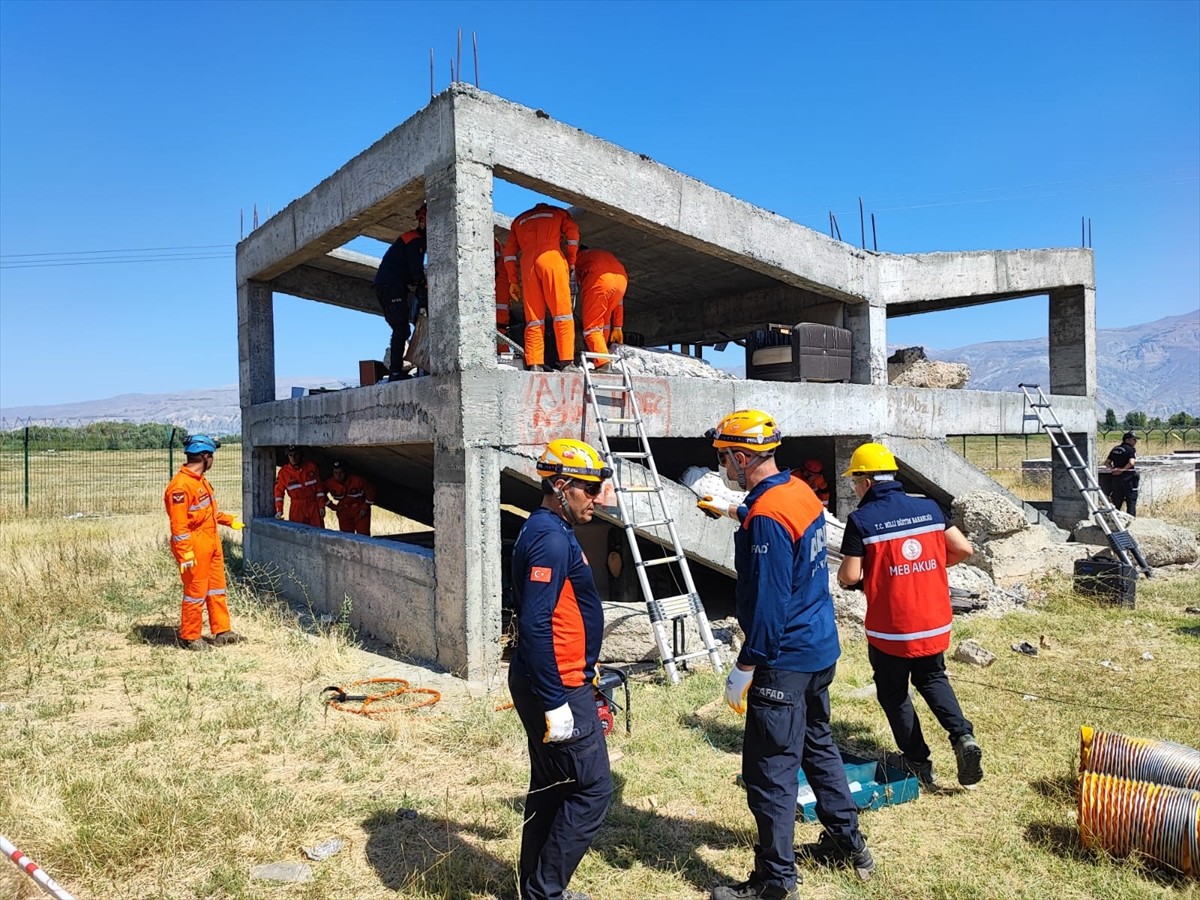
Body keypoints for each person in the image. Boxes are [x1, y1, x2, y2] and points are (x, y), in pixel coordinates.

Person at [707, 410, 873, 900]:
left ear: (740, 457)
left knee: (770, 772)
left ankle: (775, 882)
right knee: (818, 746)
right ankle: (851, 845)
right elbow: (779, 526)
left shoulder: (768, 517)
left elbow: (768, 601)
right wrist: (733, 510)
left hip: (785, 657)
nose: (722, 466)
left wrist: (745, 666)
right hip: (820, 649)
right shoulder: (798, 491)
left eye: (723, 457)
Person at [836, 441, 983, 790]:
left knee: (894, 693)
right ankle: (963, 736)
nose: (854, 489)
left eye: (855, 482)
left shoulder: (862, 520)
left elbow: (850, 576)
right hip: (934, 620)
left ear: (866, 481)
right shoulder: (930, 508)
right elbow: (963, 548)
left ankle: (917, 760)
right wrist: (926, 567)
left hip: (892, 628)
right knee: (933, 678)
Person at [508, 438, 614, 900]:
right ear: (561, 484)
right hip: (557, 683)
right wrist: (555, 700)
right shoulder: (550, 538)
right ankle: (546, 892)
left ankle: (533, 886)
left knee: (552, 786)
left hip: (560, 677)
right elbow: (534, 624)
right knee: (592, 789)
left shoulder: (552, 530)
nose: (599, 498)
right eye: (589, 489)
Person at [164, 434, 244, 651]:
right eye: (212, 456)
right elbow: (179, 528)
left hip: (211, 543)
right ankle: (191, 636)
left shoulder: (200, 482)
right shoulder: (180, 487)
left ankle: (222, 631)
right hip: (194, 547)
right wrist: (186, 554)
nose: (213, 461)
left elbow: (210, 513)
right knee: (195, 592)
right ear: (205, 456)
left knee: (217, 588)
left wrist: (230, 521)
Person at [503, 203, 581, 373]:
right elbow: (573, 235)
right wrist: (572, 261)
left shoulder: (519, 221)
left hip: (528, 264)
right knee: (562, 315)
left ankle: (535, 364)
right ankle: (567, 363)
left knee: (534, 319)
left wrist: (513, 281)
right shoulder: (558, 213)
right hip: (552, 258)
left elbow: (508, 253)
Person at [373, 203, 427, 381]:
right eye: (423, 219)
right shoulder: (414, 239)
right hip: (391, 285)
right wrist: (422, 283)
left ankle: (397, 370)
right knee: (401, 328)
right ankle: (396, 372)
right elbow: (415, 270)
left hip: (390, 285)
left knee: (401, 328)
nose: (424, 223)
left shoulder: (416, 239)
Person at [574, 247, 627, 363]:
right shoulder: (603, 255)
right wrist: (618, 326)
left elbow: (573, 282)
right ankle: (605, 353)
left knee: (592, 327)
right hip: (622, 281)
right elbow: (619, 302)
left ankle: (602, 362)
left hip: (599, 279)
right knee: (605, 318)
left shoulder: (577, 258)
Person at [273, 445, 325, 527]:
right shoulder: (283, 472)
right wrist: (279, 510)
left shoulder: (311, 467)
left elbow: (319, 489)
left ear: (301, 455)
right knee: (298, 533)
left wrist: (321, 505)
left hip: (313, 506)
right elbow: (278, 493)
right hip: (297, 508)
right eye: (290, 455)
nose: (293, 458)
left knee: (318, 533)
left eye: (296, 454)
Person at [323, 460, 375, 535]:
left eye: (341, 472)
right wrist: (332, 506)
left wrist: (365, 506)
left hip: (359, 510)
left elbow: (371, 491)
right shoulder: (329, 483)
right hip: (343, 511)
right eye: (336, 473)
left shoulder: (357, 481)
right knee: (346, 537)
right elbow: (320, 494)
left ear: (346, 472)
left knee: (363, 537)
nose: (338, 476)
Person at [1104, 431, 1140, 516]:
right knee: (1131, 500)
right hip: (1128, 478)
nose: (1135, 442)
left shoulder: (1115, 449)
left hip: (1116, 478)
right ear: (1127, 440)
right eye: (1133, 439)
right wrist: (1123, 469)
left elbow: (1107, 462)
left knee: (1117, 500)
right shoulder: (1130, 449)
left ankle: (1115, 519)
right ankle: (1131, 519)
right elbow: (1131, 462)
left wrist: (1113, 470)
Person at [495, 237, 514, 352]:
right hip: (501, 290)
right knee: (501, 328)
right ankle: (506, 359)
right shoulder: (496, 244)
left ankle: (505, 360)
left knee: (499, 328)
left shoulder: (489, 242)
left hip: (498, 290)